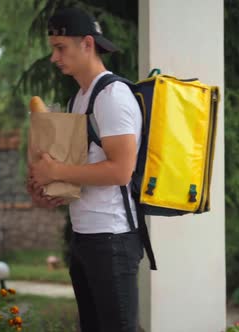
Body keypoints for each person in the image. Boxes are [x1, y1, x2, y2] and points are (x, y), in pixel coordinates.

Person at [27, 7, 144, 332]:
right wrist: (52, 191)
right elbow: (85, 169)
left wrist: (57, 172)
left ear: (88, 44)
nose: (54, 57)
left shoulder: (112, 96)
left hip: (112, 238)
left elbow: (121, 170)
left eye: (61, 47)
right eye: (53, 48)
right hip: (86, 236)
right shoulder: (82, 97)